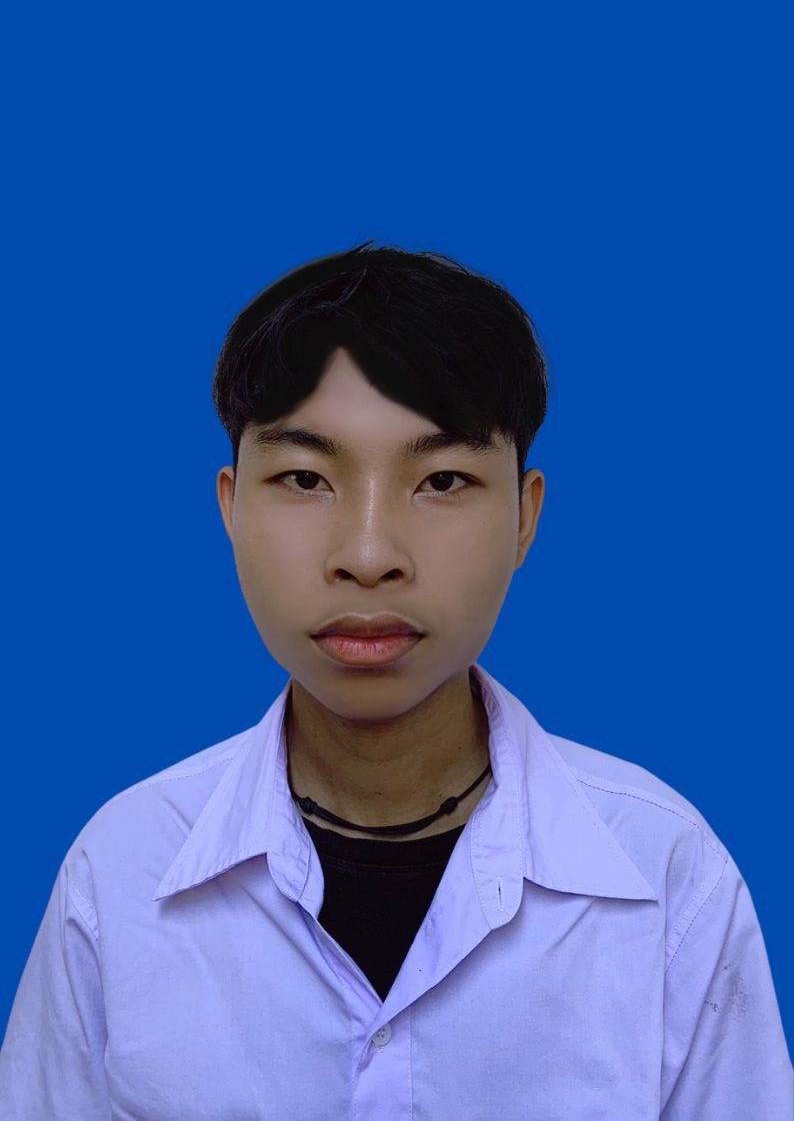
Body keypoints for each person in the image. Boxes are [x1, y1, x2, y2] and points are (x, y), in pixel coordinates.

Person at [0, 242, 790, 1119]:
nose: (369, 554)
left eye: (442, 479)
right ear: (230, 505)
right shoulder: (120, 873)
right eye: (305, 478)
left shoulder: (665, 877)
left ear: (525, 516)